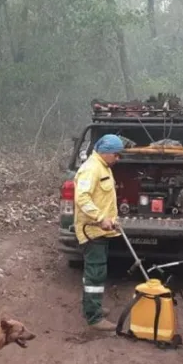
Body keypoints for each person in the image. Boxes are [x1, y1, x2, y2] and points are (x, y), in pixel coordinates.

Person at [74, 134, 125, 331]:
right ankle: (94, 318)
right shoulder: (91, 168)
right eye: (116, 155)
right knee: (95, 273)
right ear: (106, 152)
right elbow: (83, 198)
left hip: (102, 230)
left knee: (94, 273)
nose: (118, 159)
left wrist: (112, 220)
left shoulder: (103, 167)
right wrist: (100, 218)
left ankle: (91, 306)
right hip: (92, 231)